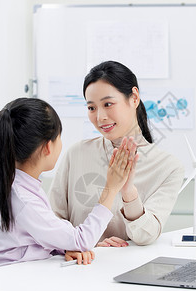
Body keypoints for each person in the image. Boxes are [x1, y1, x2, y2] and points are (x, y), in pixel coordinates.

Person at [0, 97, 135, 269]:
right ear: (48, 147)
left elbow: (34, 239)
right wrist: (111, 188)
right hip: (11, 280)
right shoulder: (24, 199)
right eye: (59, 138)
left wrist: (63, 248)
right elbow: (80, 240)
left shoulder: (20, 185)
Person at [49, 61, 185, 247]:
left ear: (134, 98)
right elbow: (52, 222)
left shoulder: (168, 167)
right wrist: (87, 244)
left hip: (129, 271)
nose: (100, 117)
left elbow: (146, 235)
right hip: (77, 268)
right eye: (91, 108)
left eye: (108, 104)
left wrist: (128, 192)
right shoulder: (77, 154)